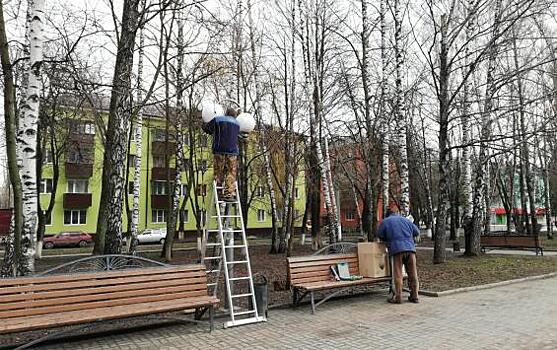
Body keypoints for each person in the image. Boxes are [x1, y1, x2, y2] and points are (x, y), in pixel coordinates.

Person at [377, 208, 420, 304]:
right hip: (410, 249)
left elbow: (379, 234)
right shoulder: (406, 220)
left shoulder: (385, 221)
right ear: (396, 213)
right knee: (413, 274)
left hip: (396, 250)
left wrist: (388, 239)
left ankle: (398, 297)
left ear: (387, 215)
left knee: (398, 274)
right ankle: (415, 296)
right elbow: (416, 231)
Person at [202, 107, 242, 201]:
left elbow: (208, 129)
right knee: (231, 172)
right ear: (234, 115)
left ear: (226, 113)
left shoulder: (218, 119)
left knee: (218, 171)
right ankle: (229, 193)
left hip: (219, 149)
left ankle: (219, 192)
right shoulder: (237, 124)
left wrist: (203, 123)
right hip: (232, 152)